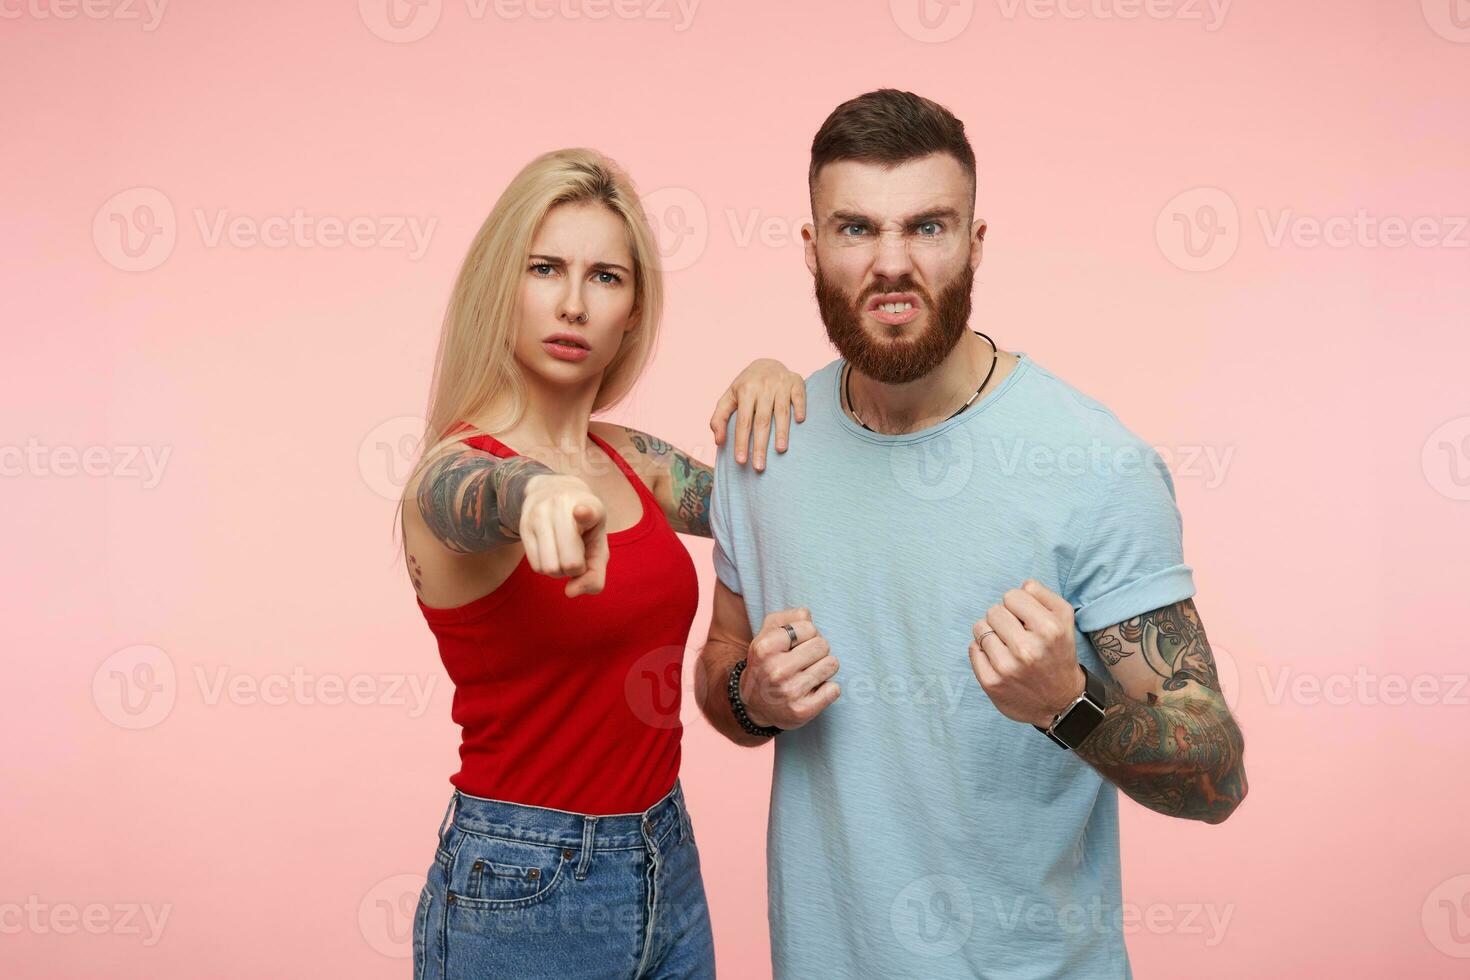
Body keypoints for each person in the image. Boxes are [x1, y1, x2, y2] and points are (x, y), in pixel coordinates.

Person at [696, 89, 1250, 979]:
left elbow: (1218, 773)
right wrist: (750, 696)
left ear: (975, 243)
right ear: (811, 247)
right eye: (855, 229)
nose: (892, 263)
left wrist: (1070, 705)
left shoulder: (1093, 465)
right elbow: (719, 660)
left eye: (928, 226)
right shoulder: (768, 445)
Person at [397, 147, 805, 980]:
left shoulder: (630, 463)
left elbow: (773, 499)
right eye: (545, 268)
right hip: (524, 885)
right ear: (500, 286)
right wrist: (532, 493)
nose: (574, 303)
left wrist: (777, 379)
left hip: (666, 856)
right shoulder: (453, 472)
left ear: (633, 309)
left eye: (606, 277)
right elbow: (464, 492)